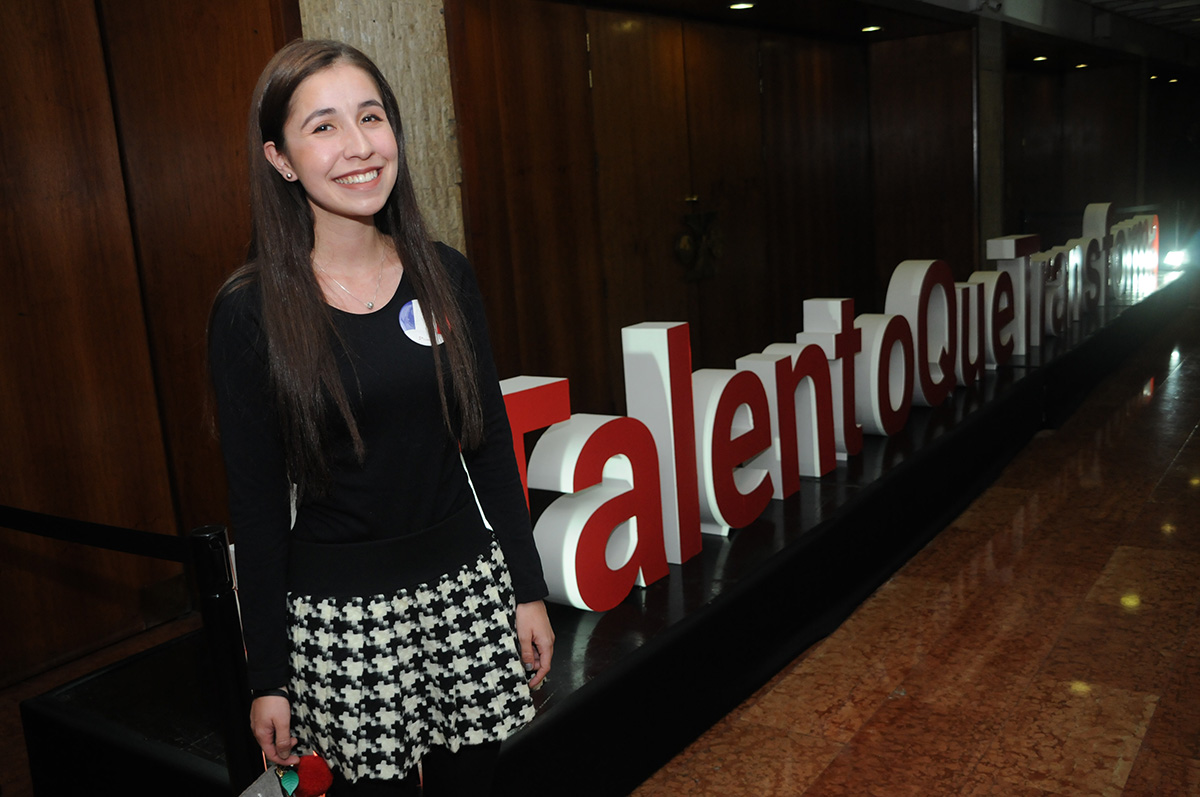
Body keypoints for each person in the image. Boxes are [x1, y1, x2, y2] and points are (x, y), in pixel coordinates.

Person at [208, 38, 553, 796]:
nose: (359, 145)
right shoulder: (250, 312)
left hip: (466, 590)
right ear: (281, 159)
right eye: (324, 126)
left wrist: (527, 589)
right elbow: (257, 508)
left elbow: (489, 444)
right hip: (342, 617)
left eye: (371, 116)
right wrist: (267, 674)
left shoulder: (444, 271)